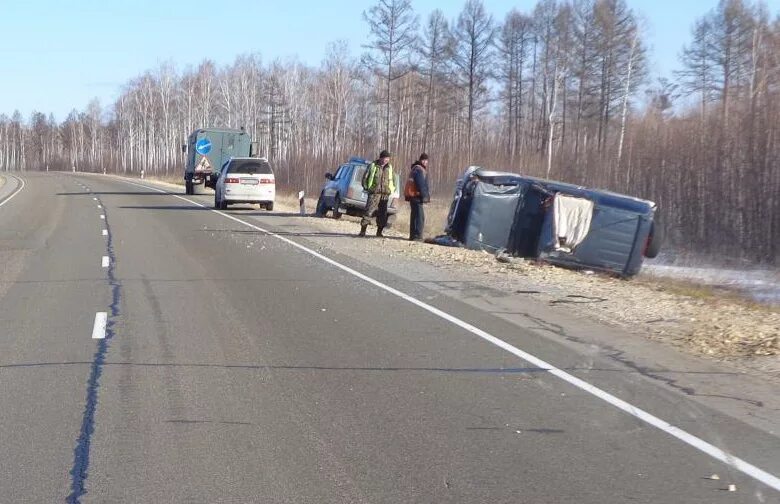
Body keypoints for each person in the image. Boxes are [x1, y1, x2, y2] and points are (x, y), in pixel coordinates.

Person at [359, 150, 395, 237]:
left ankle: (379, 232)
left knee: (382, 214)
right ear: (380, 158)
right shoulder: (373, 166)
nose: (386, 160)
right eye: (384, 158)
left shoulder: (389, 168)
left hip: (385, 194)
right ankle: (363, 231)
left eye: (387, 158)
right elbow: (365, 178)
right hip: (374, 193)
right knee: (369, 212)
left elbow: (393, 180)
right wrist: (368, 188)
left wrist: (391, 190)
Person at [406, 153, 431, 241]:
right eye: (423, 160)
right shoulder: (419, 169)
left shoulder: (415, 168)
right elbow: (421, 184)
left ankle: (412, 236)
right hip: (416, 195)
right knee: (419, 217)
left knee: (414, 216)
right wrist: (425, 196)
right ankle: (417, 236)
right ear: (420, 160)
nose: (425, 162)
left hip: (413, 195)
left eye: (426, 160)